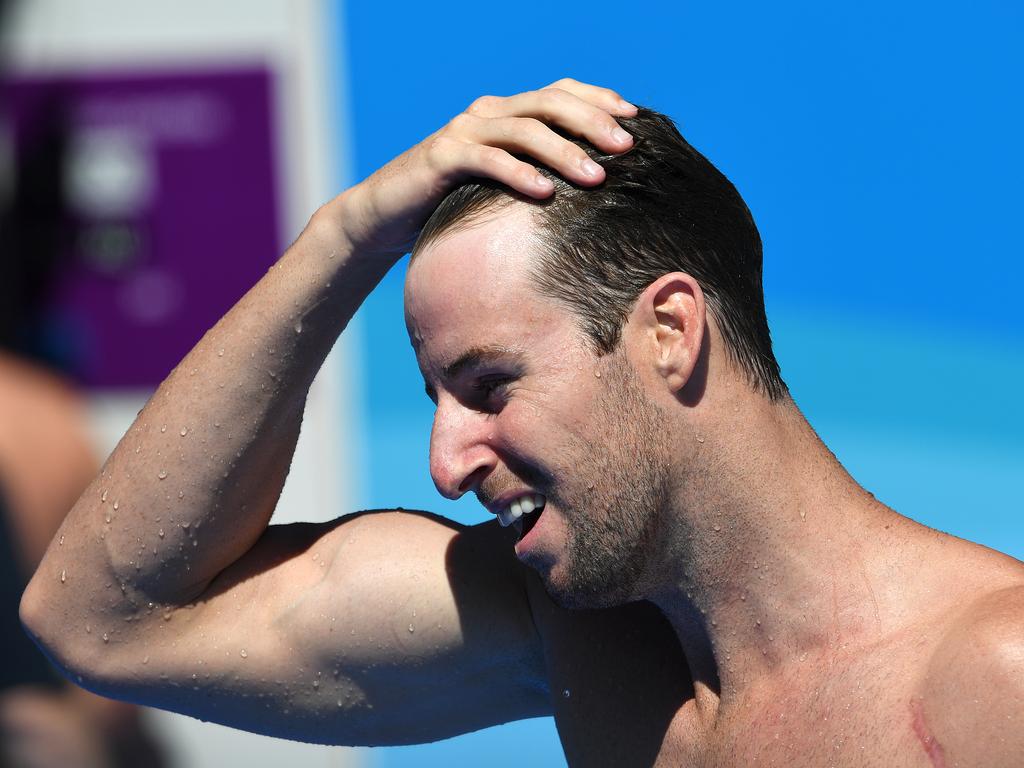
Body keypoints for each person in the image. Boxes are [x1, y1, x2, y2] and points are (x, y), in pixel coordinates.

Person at [20, 79, 1024, 766]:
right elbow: (104, 624)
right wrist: (347, 234)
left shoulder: (993, 673)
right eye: (436, 400)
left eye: (489, 384)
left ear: (669, 331)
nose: (446, 462)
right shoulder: (588, 642)